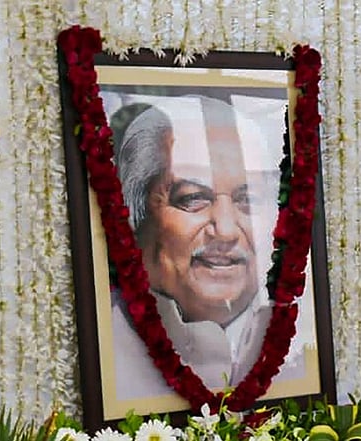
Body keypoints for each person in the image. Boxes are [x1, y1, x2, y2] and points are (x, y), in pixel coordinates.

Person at [107, 94, 309, 401]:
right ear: (134, 215)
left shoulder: (308, 348)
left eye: (248, 199)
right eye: (192, 198)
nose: (225, 231)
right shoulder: (102, 352)